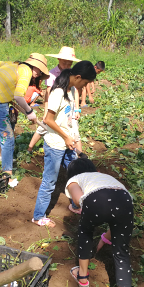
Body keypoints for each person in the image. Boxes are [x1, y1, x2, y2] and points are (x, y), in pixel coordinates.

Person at [31, 61, 97, 228]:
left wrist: (71, 136)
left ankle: (75, 205)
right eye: (85, 83)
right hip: (55, 144)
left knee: (76, 175)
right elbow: (48, 120)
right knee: (49, 182)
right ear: (78, 77)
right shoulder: (58, 93)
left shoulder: (72, 90)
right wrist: (66, 137)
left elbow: (67, 118)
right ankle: (38, 217)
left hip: (67, 142)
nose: (85, 86)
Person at [0, 53, 48, 187]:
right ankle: (7, 177)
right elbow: (18, 96)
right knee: (8, 138)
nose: (38, 74)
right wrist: (29, 111)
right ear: (34, 66)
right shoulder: (26, 72)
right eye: (39, 71)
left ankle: (1, 156)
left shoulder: (12, 64)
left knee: (9, 126)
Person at [65, 158, 133, 287]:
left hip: (97, 200)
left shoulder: (74, 179)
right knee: (122, 251)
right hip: (125, 199)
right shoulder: (103, 176)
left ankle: (82, 277)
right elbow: (115, 220)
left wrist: (78, 207)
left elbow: (78, 200)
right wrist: (104, 238)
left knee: (85, 231)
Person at [27, 47, 82, 153]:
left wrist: (77, 109)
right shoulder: (52, 74)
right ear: (59, 59)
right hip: (55, 107)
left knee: (74, 131)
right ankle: (29, 148)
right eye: (64, 63)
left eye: (69, 64)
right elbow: (48, 94)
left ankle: (80, 157)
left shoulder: (73, 74)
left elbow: (75, 91)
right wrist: (46, 111)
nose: (66, 66)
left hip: (69, 108)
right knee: (43, 127)